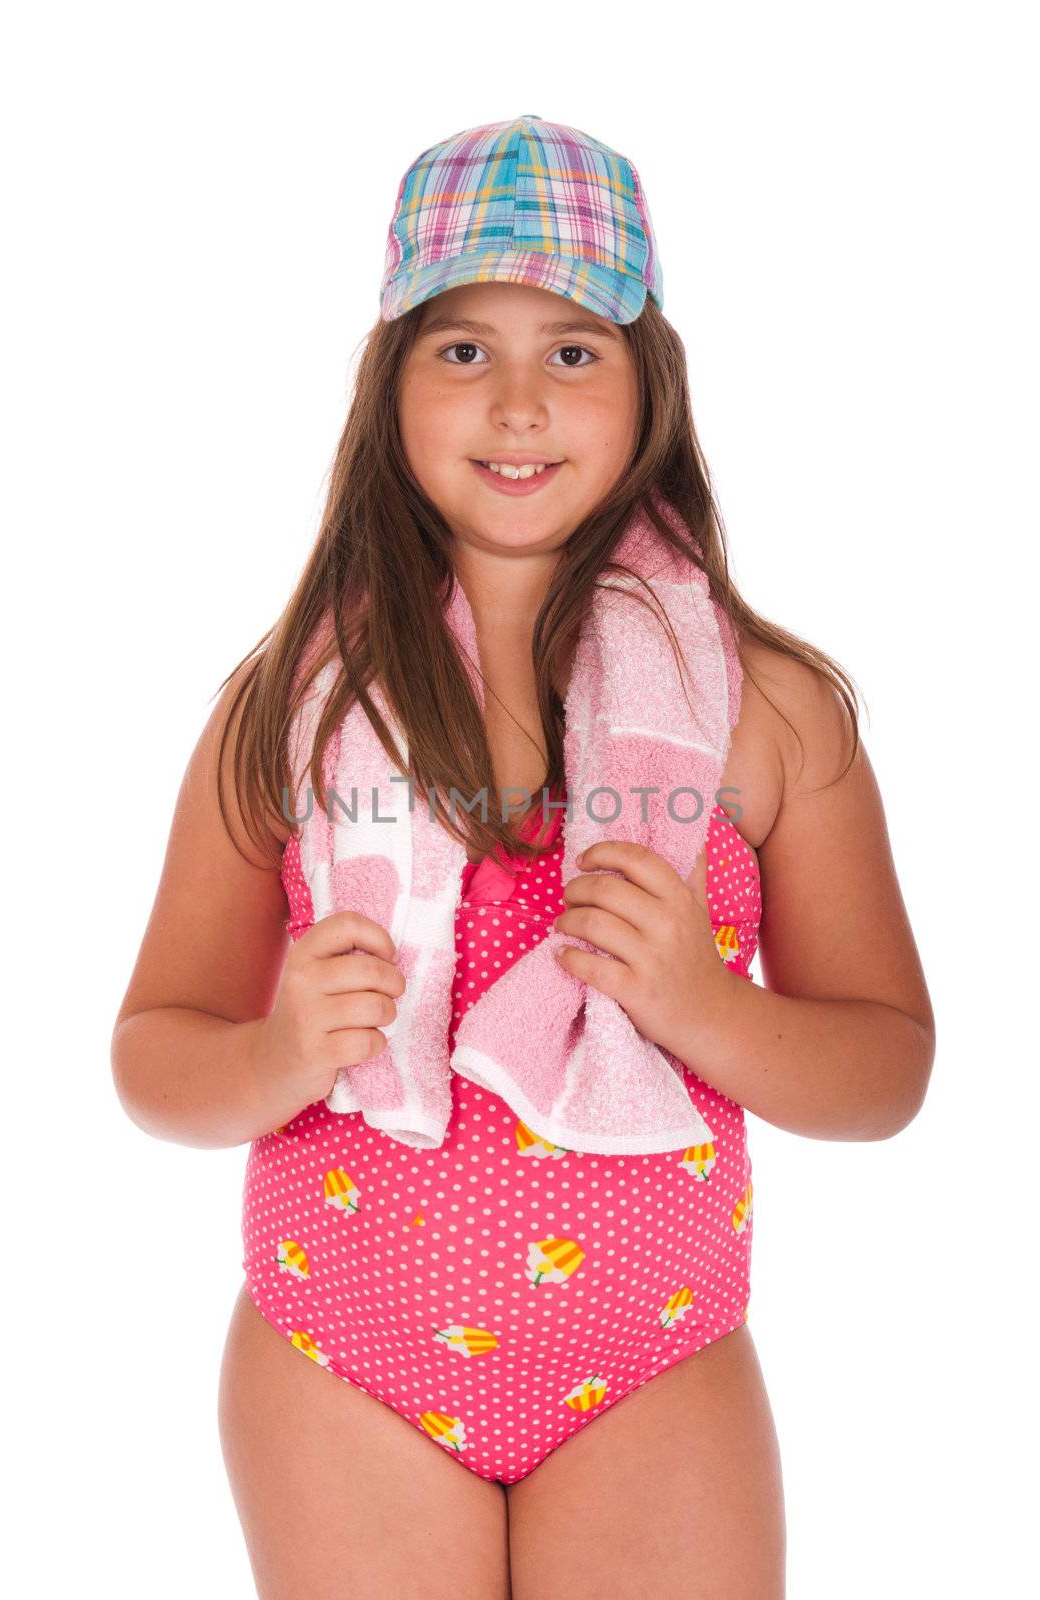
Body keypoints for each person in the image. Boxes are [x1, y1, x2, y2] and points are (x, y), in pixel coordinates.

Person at [111, 114, 935, 1599]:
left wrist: (706, 1007)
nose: (516, 403)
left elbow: (887, 1072)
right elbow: (153, 1052)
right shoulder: (287, 707)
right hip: (339, 1359)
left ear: (646, 387)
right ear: (389, 384)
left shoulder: (769, 712)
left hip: (653, 1365)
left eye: (572, 350)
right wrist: (278, 1053)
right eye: (461, 349)